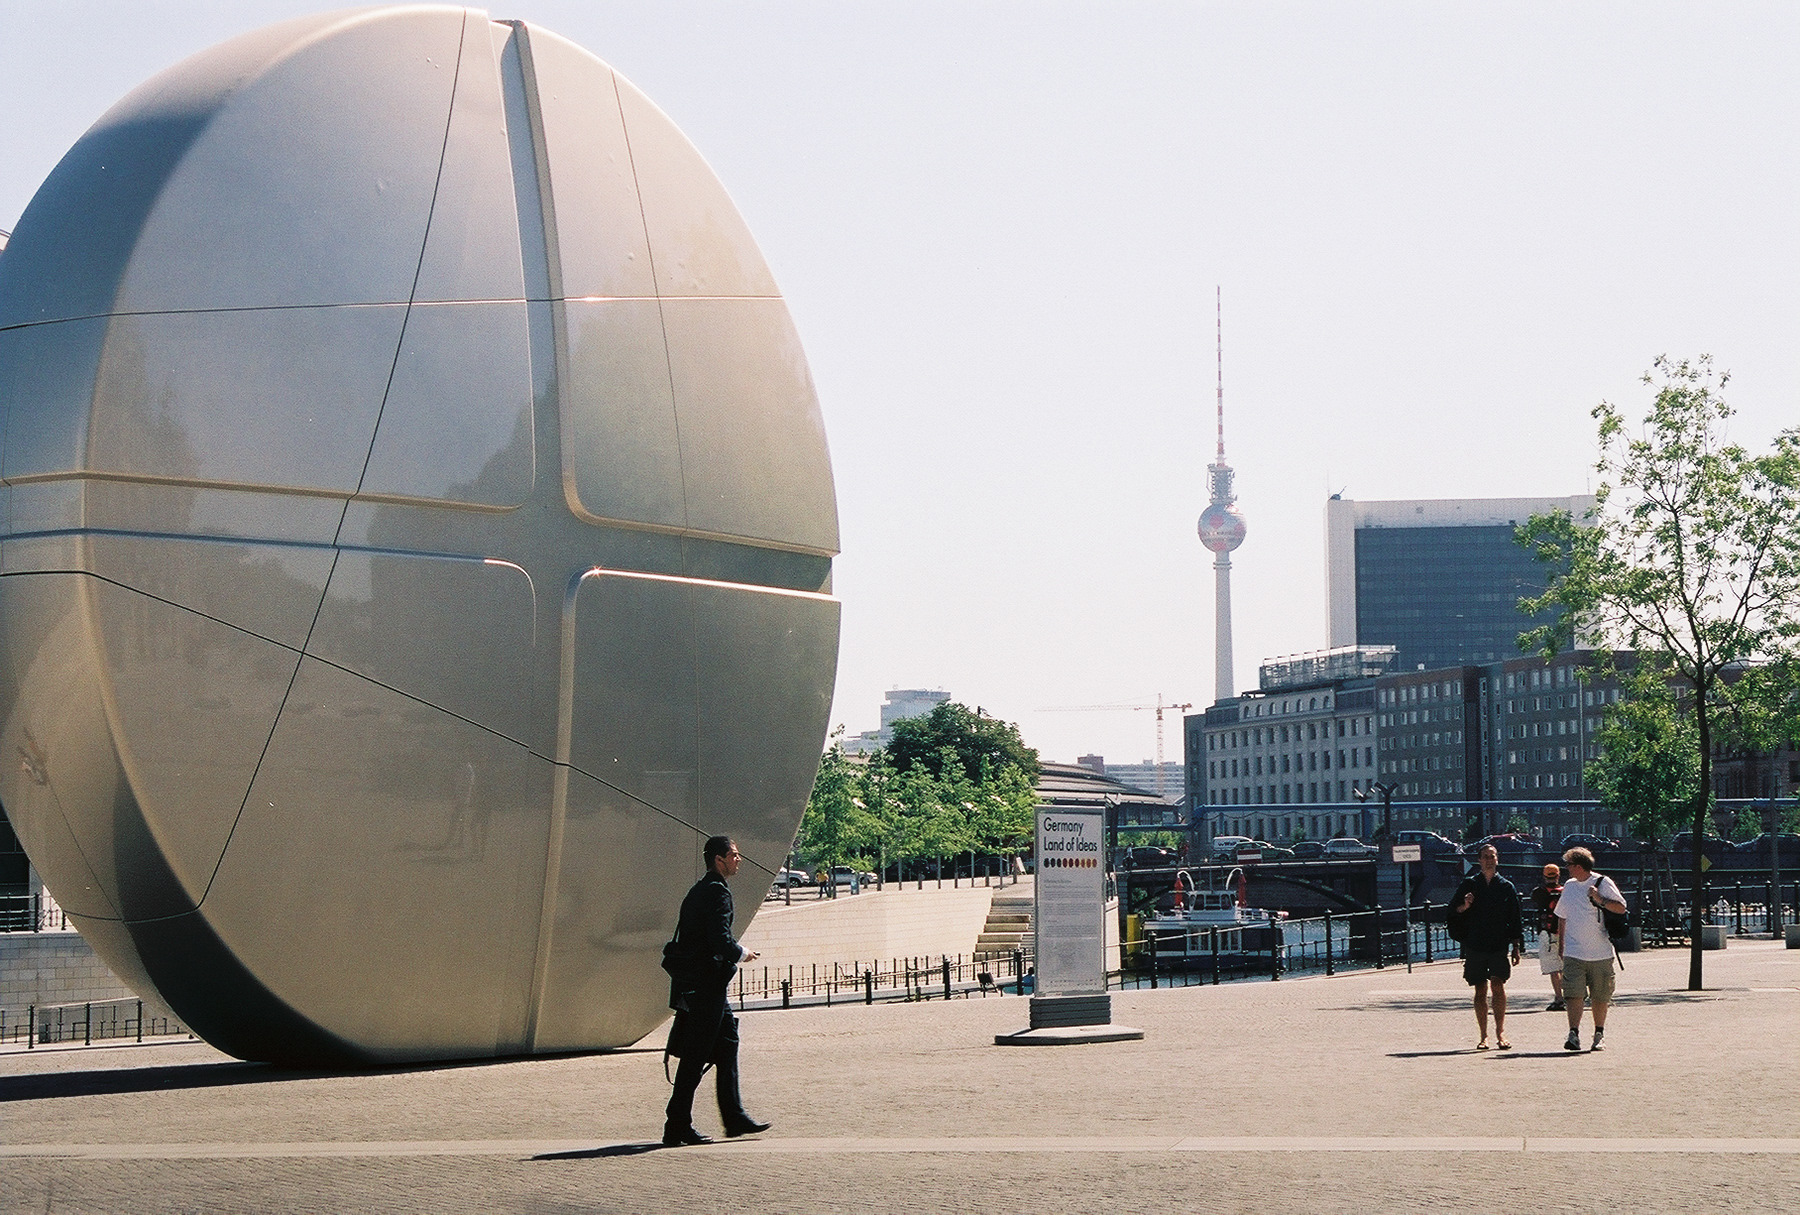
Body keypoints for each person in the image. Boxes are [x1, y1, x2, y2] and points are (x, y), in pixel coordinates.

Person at [662, 835, 771, 1146]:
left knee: (727, 1043)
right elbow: (720, 940)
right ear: (719, 860)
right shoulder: (717, 893)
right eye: (734, 855)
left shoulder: (699, 890)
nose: (739, 859)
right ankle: (677, 1125)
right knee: (695, 1055)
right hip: (707, 986)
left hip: (702, 986)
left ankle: (733, 1116)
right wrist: (743, 953)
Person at [1445, 843, 1523, 1050]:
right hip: (1476, 943)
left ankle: (1501, 1033)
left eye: (1493, 856)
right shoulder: (1469, 884)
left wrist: (1516, 946)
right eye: (1485, 856)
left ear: (1497, 859)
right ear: (1479, 860)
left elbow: (1515, 918)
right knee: (1480, 989)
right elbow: (1452, 911)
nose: (1489, 859)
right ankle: (1483, 1036)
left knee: (1498, 985)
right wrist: (1466, 905)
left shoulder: (1506, 886)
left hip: (1498, 943)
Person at [1555, 846, 1626, 1053]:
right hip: (1574, 951)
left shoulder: (1602, 883)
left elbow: (1621, 908)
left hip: (1601, 952)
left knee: (1600, 996)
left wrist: (1600, 899)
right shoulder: (1569, 886)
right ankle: (1573, 1033)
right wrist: (1561, 946)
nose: (1566, 869)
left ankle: (1599, 1034)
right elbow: (1562, 916)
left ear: (1578, 866)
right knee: (1573, 994)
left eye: (1568, 865)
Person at [1531, 863, 1566, 1012]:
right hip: (1566, 931)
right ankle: (1571, 995)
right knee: (1566, 966)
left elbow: (1537, 899)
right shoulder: (1566, 891)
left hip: (1548, 932)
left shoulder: (1539, 892)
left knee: (1553, 969)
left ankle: (1559, 998)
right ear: (1558, 876)